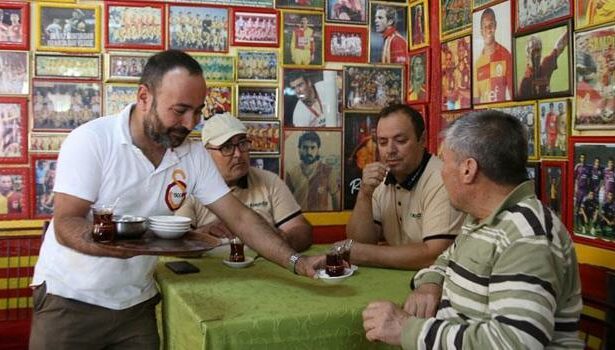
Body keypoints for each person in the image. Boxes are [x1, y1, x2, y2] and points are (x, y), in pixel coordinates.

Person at [29, 50, 324, 349]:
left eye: (197, 111)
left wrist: (297, 262)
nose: (190, 122)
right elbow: (66, 222)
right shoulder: (92, 140)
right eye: (180, 110)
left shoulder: (191, 154)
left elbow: (241, 218)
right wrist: (121, 246)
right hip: (70, 299)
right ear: (144, 97)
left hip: (136, 303)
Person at [362, 110, 583, 349]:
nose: (441, 171)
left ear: (468, 170)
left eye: (445, 161)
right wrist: (431, 284)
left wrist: (407, 329)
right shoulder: (482, 219)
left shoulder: (526, 235)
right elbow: (444, 259)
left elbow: (514, 343)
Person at [345, 104, 463, 270]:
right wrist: (364, 194)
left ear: (422, 140)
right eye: (383, 142)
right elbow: (361, 242)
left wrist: (364, 254)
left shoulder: (441, 179)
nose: (390, 150)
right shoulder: (382, 177)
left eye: (400, 141)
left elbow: (434, 254)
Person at [176, 113, 312, 252]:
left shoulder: (269, 181)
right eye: (227, 147)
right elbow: (177, 243)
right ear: (206, 153)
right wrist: (205, 232)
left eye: (242, 144)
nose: (238, 154)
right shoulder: (188, 188)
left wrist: (283, 239)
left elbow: (301, 230)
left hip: (263, 266)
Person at [285, 131, 340, 211]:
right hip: (300, 219)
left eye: (313, 147)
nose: (309, 152)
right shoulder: (291, 173)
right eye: (305, 147)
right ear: (299, 149)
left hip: (321, 221)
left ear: (318, 150)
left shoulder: (328, 172)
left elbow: (336, 201)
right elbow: (287, 202)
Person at [473, 8, 513, 104]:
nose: (488, 30)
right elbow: (476, 102)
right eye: (485, 27)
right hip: (484, 118)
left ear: (495, 26)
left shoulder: (506, 55)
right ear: (481, 31)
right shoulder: (477, 64)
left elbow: (513, 95)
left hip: (500, 116)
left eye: (491, 25)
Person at [518, 31, 568, 99]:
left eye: (538, 50)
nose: (536, 55)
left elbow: (560, 45)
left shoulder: (546, 64)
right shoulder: (525, 81)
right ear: (528, 53)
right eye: (533, 51)